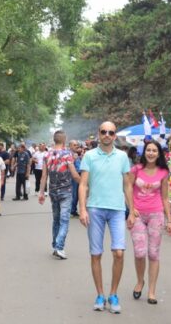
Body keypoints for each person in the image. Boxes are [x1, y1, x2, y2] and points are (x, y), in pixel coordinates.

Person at [78, 122, 132, 314]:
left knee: (119, 252)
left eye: (111, 132)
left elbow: (127, 185)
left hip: (117, 209)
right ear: (98, 134)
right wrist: (82, 209)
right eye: (104, 132)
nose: (107, 135)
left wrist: (132, 211)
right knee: (96, 254)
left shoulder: (123, 157)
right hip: (95, 209)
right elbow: (83, 184)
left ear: (115, 135)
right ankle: (100, 294)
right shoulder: (89, 156)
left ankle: (113, 293)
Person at [127, 139, 171, 304]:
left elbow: (165, 197)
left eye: (154, 150)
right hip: (138, 215)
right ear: (144, 152)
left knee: (153, 253)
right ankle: (140, 281)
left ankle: (152, 291)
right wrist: (131, 210)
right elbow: (127, 189)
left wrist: (169, 220)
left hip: (156, 214)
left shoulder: (163, 172)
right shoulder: (136, 169)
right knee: (140, 252)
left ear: (159, 153)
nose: (151, 153)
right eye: (148, 150)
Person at [38, 130, 80, 260]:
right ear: (64, 140)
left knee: (56, 220)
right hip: (66, 191)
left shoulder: (47, 155)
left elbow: (44, 176)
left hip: (53, 192)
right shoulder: (67, 155)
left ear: (54, 139)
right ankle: (59, 247)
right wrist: (84, 183)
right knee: (64, 220)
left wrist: (41, 193)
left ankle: (55, 245)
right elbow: (73, 174)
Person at [68, 140, 82, 217]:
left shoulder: (76, 154)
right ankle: (71, 211)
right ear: (70, 146)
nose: (76, 146)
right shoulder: (69, 154)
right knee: (74, 194)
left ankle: (73, 210)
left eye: (77, 145)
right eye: (74, 145)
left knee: (77, 194)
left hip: (79, 175)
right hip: (73, 176)